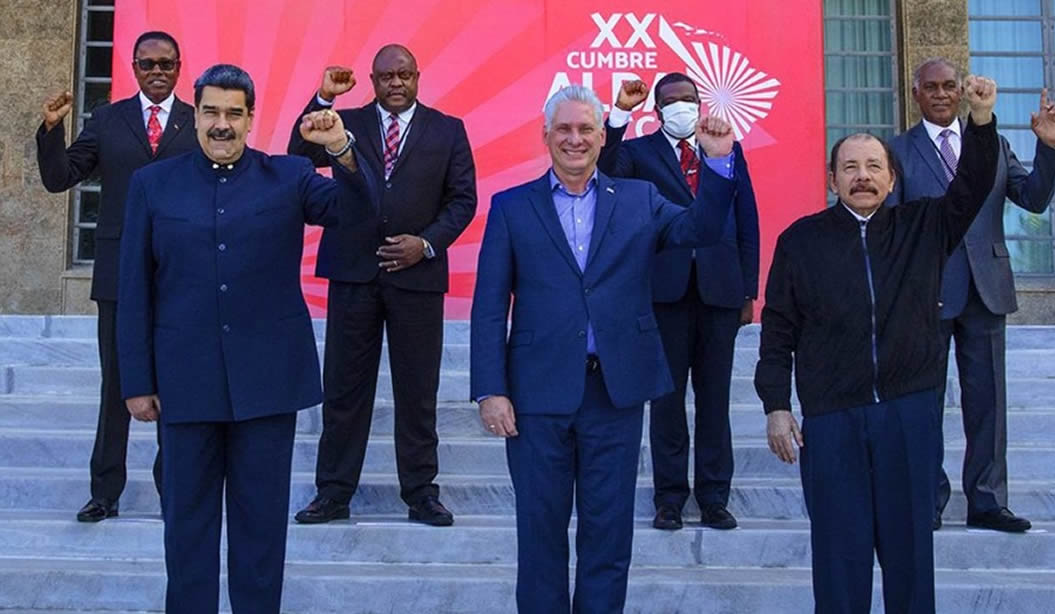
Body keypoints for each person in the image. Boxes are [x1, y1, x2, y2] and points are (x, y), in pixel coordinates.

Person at [116, 64, 378, 614]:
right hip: (184, 384)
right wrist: (136, 381)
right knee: (186, 529)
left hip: (268, 385)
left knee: (261, 532)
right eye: (211, 112)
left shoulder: (288, 176)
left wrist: (341, 149)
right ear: (195, 115)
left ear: (251, 118)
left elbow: (360, 214)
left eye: (234, 114)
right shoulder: (153, 184)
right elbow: (134, 288)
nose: (222, 124)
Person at [471, 84, 739, 614]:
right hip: (536, 396)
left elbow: (701, 228)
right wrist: (490, 390)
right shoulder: (511, 207)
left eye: (585, 129)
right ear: (545, 135)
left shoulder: (639, 199)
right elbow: (489, 306)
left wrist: (717, 161)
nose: (574, 139)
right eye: (564, 129)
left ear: (602, 136)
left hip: (614, 394)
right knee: (540, 536)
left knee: (609, 536)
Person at [756, 75, 1004, 613]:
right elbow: (777, 329)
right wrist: (776, 405)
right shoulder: (801, 241)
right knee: (838, 561)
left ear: (893, 179)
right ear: (832, 179)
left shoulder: (925, 226)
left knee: (910, 557)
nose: (862, 177)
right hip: (832, 419)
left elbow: (975, 183)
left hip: (908, 413)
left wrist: (981, 120)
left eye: (873, 167)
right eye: (850, 167)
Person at [287, 44, 476, 526]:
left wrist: (426, 244)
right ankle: (333, 493)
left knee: (418, 392)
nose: (396, 83)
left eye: (404, 74)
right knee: (344, 390)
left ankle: (421, 494)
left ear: (417, 77)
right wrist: (323, 99)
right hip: (354, 271)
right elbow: (299, 152)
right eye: (387, 76)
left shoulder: (448, 130)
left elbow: (462, 200)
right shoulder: (345, 122)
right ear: (372, 80)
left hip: (417, 278)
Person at [888, 57, 1055, 532]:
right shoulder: (898, 151)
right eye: (931, 87)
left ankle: (987, 501)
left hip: (986, 288)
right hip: (925, 292)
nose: (942, 95)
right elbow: (892, 227)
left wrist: (1048, 146)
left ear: (962, 92)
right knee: (922, 402)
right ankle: (926, 501)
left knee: (988, 403)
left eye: (950, 86)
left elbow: (1034, 198)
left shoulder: (994, 142)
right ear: (916, 94)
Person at [35, 31, 197, 522]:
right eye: (148, 63)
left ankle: (175, 490)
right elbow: (60, 177)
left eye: (166, 64)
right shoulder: (107, 120)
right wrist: (51, 130)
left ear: (179, 67)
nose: (157, 72)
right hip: (119, 275)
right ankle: (105, 492)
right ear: (133, 67)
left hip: (179, 276)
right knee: (117, 386)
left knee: (177, 385)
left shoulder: (197, 122)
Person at [598, 74, 759, 530]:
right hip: (663, 293)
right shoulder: (638, 153)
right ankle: (669, 498)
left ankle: (714, 498)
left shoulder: (724, 149)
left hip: (719, 290)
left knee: (715, 399)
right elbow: (605, 172)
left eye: (688, 99)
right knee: (666, 401)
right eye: (671, 101)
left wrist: (748, 289)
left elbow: (746, 216)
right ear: (657, 111)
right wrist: (619, 115)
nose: (681, 106)